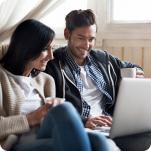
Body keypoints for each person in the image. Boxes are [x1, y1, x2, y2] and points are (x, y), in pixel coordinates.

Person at [45, 9, 151, 151]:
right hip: (81, 126)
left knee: (145, 135)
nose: (86, 45)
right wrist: (84, 122)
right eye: (81, 38)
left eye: (91, 39)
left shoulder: (102, 58)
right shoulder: (54, 65)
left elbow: (132, 66)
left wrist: (136, 73)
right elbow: (52, 109)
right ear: (67, 34)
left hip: (108, 124)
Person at [0, 19, 108, 151]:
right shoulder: (2, 79)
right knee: (64, 110)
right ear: (27, 47)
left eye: (52, 49)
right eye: (46, 49)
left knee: (99, 140)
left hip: (46, 134)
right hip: (17, 141)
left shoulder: (46, 80)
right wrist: (31, 119)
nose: (51, 56)